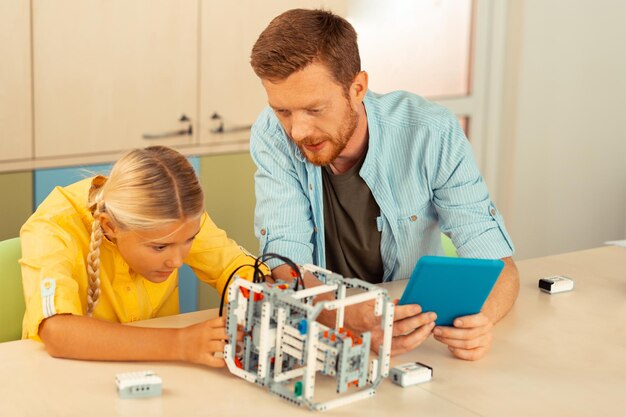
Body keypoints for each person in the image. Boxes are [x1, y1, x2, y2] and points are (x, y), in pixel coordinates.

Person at [249, 9, 519, 361]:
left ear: (357, 88)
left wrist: (483, 321)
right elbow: (286, 267)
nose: (297, 131)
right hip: (323, 338)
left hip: (417, 341)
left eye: (313, 109)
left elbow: (498, 266)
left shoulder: (430, 132)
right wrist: (349, 316)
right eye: (283, 111)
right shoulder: (272, 136)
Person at [20, 146, 266, 367]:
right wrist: (181, 343)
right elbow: (58, 331)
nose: (177, 261)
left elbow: (235, 266)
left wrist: (263, 301)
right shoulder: (52, 227)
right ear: (110, 226)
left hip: (158, 371)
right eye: (160, 247)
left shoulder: (177, 214)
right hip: (67, 377)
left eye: (190, 240)